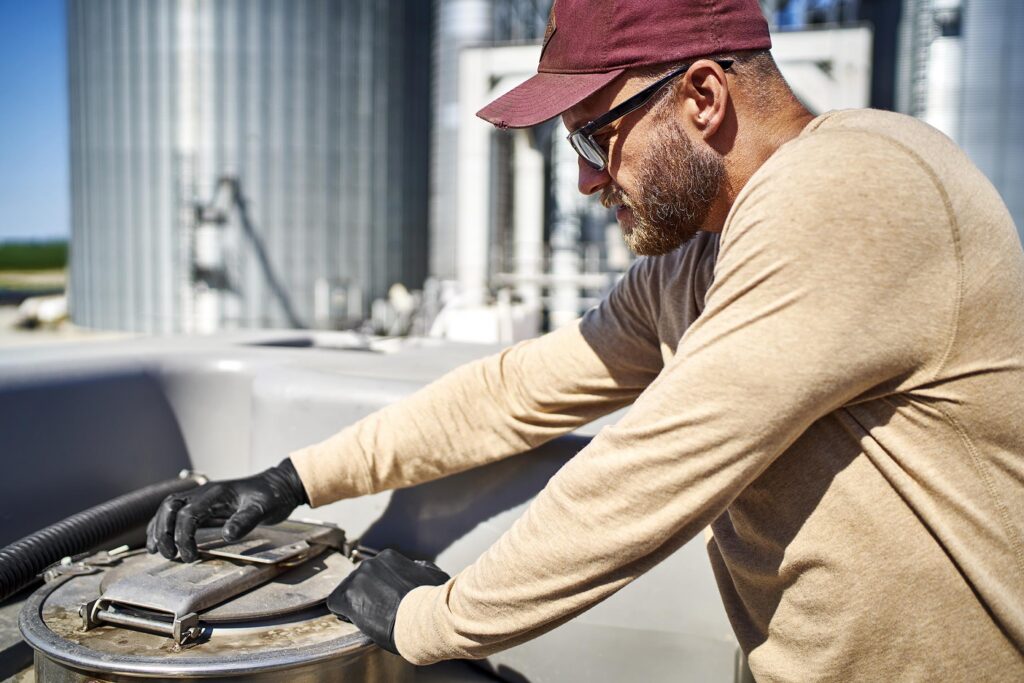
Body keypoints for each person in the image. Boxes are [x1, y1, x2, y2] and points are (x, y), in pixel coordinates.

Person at [147, 0, 1024, 679]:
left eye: (595, 134)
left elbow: (652, 465)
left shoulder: (854, 183)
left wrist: (431, 622)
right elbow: (517, 390)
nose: (584, 180)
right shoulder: (695, 262)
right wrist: (294, 477)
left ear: (704, 97)